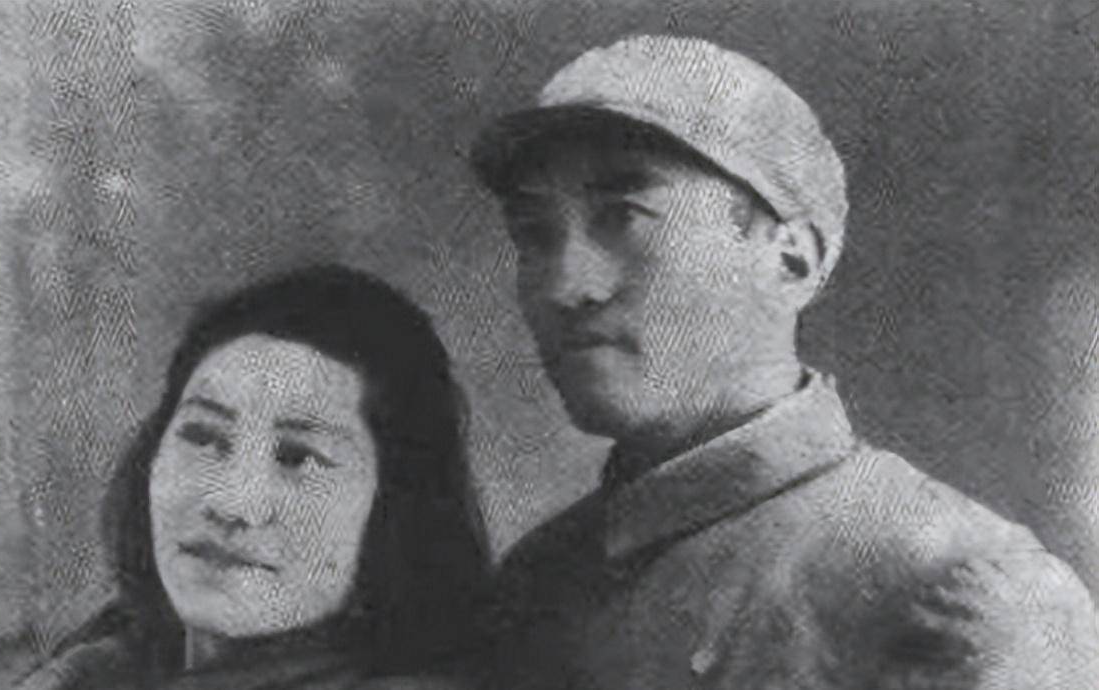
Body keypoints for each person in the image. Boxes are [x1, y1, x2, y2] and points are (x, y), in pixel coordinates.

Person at [469, 35, 1099, 689]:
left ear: (791, 260)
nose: (564, 285)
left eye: (623, 216)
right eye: (534, 234)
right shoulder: (535, 585)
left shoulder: (961, 587)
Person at [15, 265, 491, 690]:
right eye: (203, 436)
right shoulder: (89, 673)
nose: (231, 503)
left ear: (395, 507)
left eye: (297, 458)